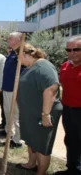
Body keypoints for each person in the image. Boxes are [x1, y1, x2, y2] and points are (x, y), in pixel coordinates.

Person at [16, 43, 62, 175]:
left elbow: (51, 89)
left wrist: (46, 113)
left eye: (19, 58)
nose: (19, 61)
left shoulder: (44, 66)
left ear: (25, 54)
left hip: (43, 113)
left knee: (42, 145)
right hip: (30, 113)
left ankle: (40, 173)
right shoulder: (31, 67)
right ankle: (31, 164)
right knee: (31, 140)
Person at [56, 37, 81, 175]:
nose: (72, 53)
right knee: (70, 139)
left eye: (76, 49)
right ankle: (71, 169)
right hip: (67, 109)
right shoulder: (65, 66)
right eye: (69, 50)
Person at [0, 32, 25, 148]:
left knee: (16, 115)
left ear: (18, 40)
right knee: (8, 113)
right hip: (7, 88)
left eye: (10, 38)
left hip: (15, 89)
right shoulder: (12, 52)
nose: (8, 39)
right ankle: (9, 135)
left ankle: (17, 140)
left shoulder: (21, 53)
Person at [0, 46, 12, 130]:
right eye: (9, 48)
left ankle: (7, 128)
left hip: (9, 88)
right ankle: (4, 124)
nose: (9, 49)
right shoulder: (7, 58)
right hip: (3, 86)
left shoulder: (15, 59)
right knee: (3, 107)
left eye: (11, 48)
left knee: (9, 109)